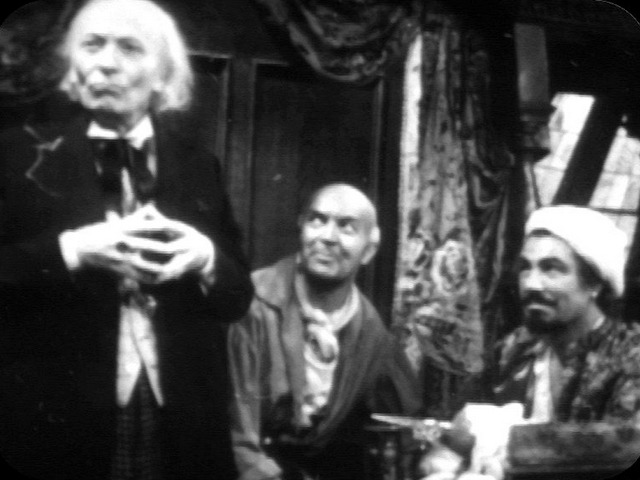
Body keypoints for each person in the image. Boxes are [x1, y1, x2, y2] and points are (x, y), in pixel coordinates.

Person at [0, 0, 253, 479]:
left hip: (180, 419)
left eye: (129, 48)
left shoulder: (199, 165)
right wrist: (71, 251)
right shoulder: (14, 154)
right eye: (92, 45)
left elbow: (238, 296)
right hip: (55, 418)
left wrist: (206, 259)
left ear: (163, 75)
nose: (106, 63)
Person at [418, 204, 640, 480]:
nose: (532, 284)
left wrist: (510, 440)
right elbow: (457, 427)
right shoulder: (514, 349)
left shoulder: (630, 355)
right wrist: (444, 454)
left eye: (552, 269)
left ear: (594, 283)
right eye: (525, 268)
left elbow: (626, 445)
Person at [227, 183, 422, 480]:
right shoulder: (252, 302)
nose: (327, 237)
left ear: (369, 251)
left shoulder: (371, 332)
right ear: (301, 228)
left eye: (346, 227)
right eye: (317, 220)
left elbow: (407, 424)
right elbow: (236, 437)